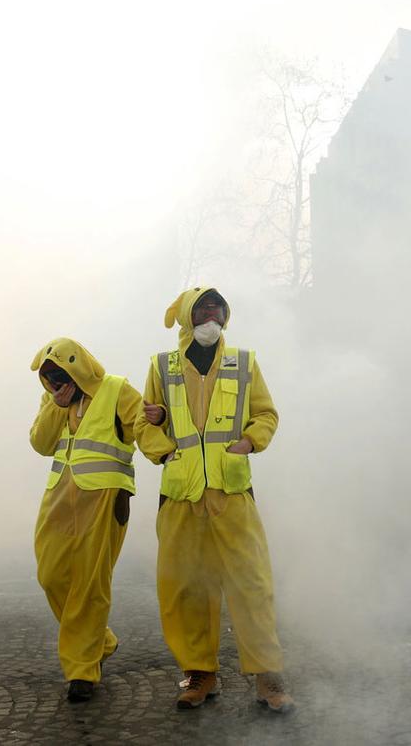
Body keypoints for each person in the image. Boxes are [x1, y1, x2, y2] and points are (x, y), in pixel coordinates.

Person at [135, 287, 295, 712]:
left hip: (232, 491)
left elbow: (266, 414)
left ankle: (268, 676)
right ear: (187, 316)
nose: (213, 317)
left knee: (252, 583)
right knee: (184, 586)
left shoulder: (243, 362)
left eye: (218, 310)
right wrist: (164, 448)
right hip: (181, 496)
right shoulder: (161, 366)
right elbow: (143, 423)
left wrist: (248, 443)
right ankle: (200, 673)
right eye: (204, 309)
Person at [29, 338, 140, 703]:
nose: (55, 382)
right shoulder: (55, 400)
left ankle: (82, 671)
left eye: (61, 374)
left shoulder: (116, 389)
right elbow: (41, 444)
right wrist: (57, 406)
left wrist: (167, 450)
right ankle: (100, 640)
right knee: (51, 576)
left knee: (90, 584)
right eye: (49, 377)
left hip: (106, 498)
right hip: (60, 497)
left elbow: (145, 424)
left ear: (79, 367)